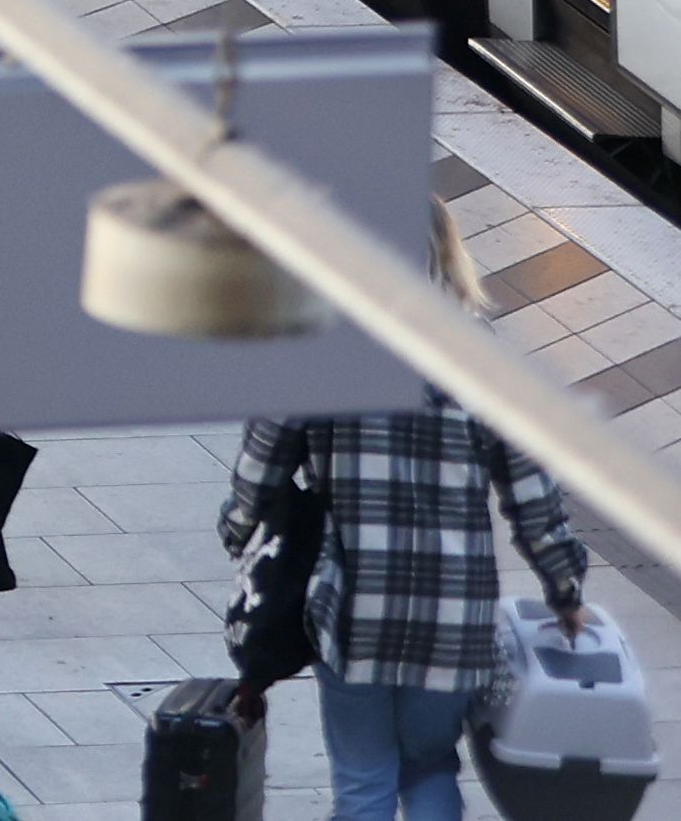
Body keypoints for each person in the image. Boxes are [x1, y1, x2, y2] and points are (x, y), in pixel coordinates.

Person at [223, 249, 591, 821]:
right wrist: (564, 587)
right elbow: (531, 489)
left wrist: (239, 533)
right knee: (429, 765)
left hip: (351, 610)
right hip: (453, 616)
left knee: (363, 777)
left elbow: (260, 466)